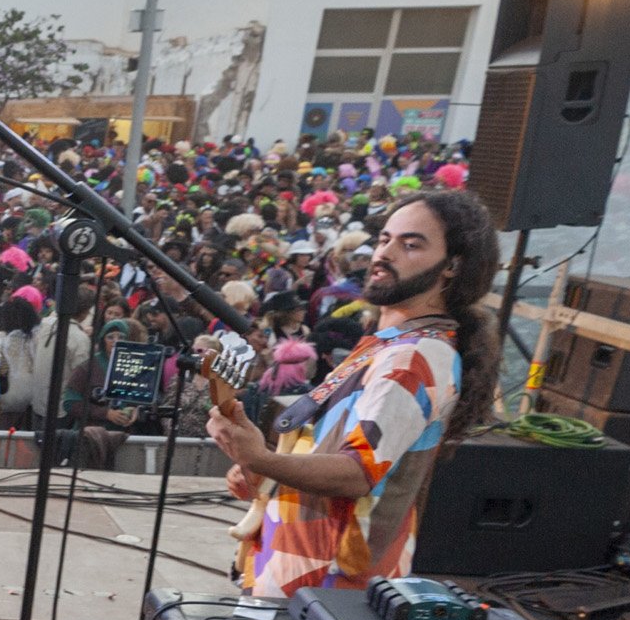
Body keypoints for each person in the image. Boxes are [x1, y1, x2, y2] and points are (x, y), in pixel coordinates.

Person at [208, 189, 498, 598]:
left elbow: (356, 474)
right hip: (297, 578)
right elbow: (329, 451)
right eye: (384, 239)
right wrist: (262, 471)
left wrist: (261, 457)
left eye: (411, 244)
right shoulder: (387, 343)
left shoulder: (415, 357)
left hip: (327, 590)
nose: (385, 253)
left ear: (452, 266)